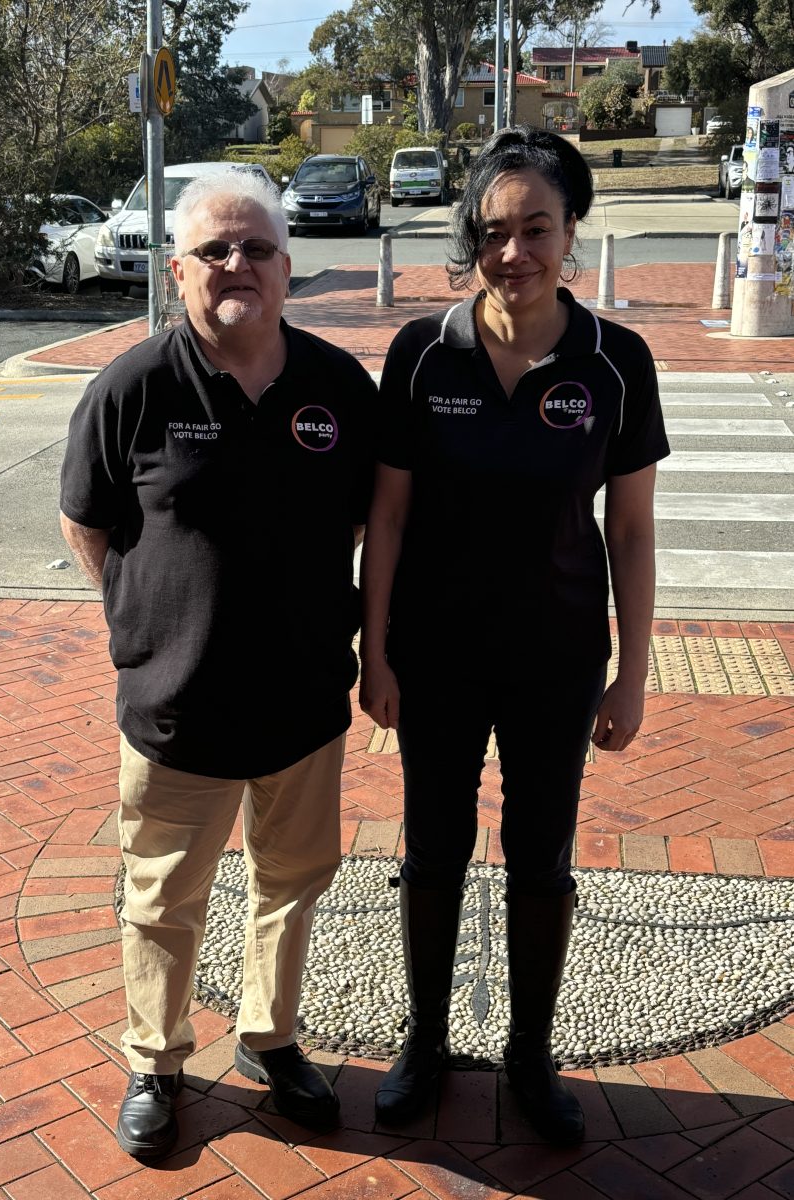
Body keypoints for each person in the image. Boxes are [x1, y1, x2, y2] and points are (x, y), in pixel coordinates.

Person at [359, 126, 669, 1146]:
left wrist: (631, 675)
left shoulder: (615, 361)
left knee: (540, 854)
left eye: (537, 228)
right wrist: (377, 648)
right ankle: (426, 1041)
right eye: (494, 232)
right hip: (438, 657)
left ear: (571, 231)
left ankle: (531, 1053)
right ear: (473, 241)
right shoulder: (421, 352)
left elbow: (629, 527)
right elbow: (389, 517)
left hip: (557, 657)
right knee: (434, 850)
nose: (514, 253)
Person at [59, 170, 375, 1160]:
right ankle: (156, 1060)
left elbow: (370, 517)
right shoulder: (134, 386)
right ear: (177, 269)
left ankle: (270, 1038)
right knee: (161, 894)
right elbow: (86, 523)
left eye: (259, 249)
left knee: (294, 877)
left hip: (305, 700)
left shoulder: (335, 386)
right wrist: (144, 620)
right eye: (215, 251)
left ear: (288, 267)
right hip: (177, 703)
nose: (239, 266)